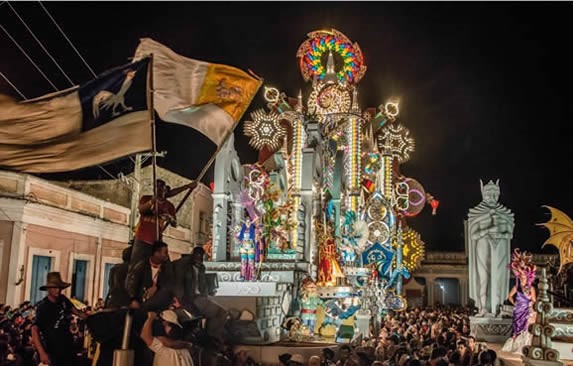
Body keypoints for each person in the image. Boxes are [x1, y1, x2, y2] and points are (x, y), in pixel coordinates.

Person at [127, 179, 197, 289]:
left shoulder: (169, 206)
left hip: (157, 241)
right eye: (156, 187)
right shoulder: (146, 199)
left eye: (161, 188)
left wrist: (169, 218)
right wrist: (151, 202)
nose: (159, 190)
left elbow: (174, 223)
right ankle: (131, 290)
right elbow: (142, 209)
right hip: (142, 239)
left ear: (165, 190)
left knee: (166, 266)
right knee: (135, 265)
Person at [467, 179, 514, 317]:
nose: (492, 197)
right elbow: (473, 234)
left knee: (498, 278)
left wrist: (499, 232)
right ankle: (483, 308)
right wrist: (487, 230)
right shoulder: (476, 213)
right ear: (483, 194)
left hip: (499, 247)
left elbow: (509, 233)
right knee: (484, 279)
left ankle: (497, 308)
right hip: (482, 247)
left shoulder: (505, 214)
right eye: (489, 194)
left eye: (495, 194)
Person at [172, 246, 228, 343]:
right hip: (190, 299)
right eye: (197, 255)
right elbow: (179, 286)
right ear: (192, 255)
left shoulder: (201, 267)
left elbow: (203, 286)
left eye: (201, 256)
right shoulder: (183, 265)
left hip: (200, 297)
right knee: (220, 313)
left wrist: (206, 296)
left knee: (222, 313)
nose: (199, 258)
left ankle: (211, 336)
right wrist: (183, 302)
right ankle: (211, 337)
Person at [31, 272, 88, 366]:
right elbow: (34, 330)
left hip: (68, 347)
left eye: (59, 287)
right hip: (53, 350)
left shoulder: (63, 300)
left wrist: (94, 317)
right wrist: (42, 353)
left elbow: (77, 312)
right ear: (48, 289)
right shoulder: (43, 307)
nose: (58, 290)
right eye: (54, 287)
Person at [501, 249, 537, 353]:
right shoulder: (516, 287)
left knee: (526, 328)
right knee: (517, 328)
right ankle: (515, 346)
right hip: (518, 311)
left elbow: (534, 300)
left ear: (528, 277)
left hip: (527, 311)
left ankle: (525, 347)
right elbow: (510, 297)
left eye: (523, 276)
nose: (521, 278)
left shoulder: (531, 288)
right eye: (520, 276)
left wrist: (530, 305)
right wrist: (515, 303)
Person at [125, 240, 174, 311]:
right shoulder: (141, 266)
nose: (167, 255)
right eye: (165, 252)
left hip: (160, 308)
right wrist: (134, 300)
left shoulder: (168, 268)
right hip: (142, 307)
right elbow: (132, 285)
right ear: (156, 253)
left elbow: (170, 286)